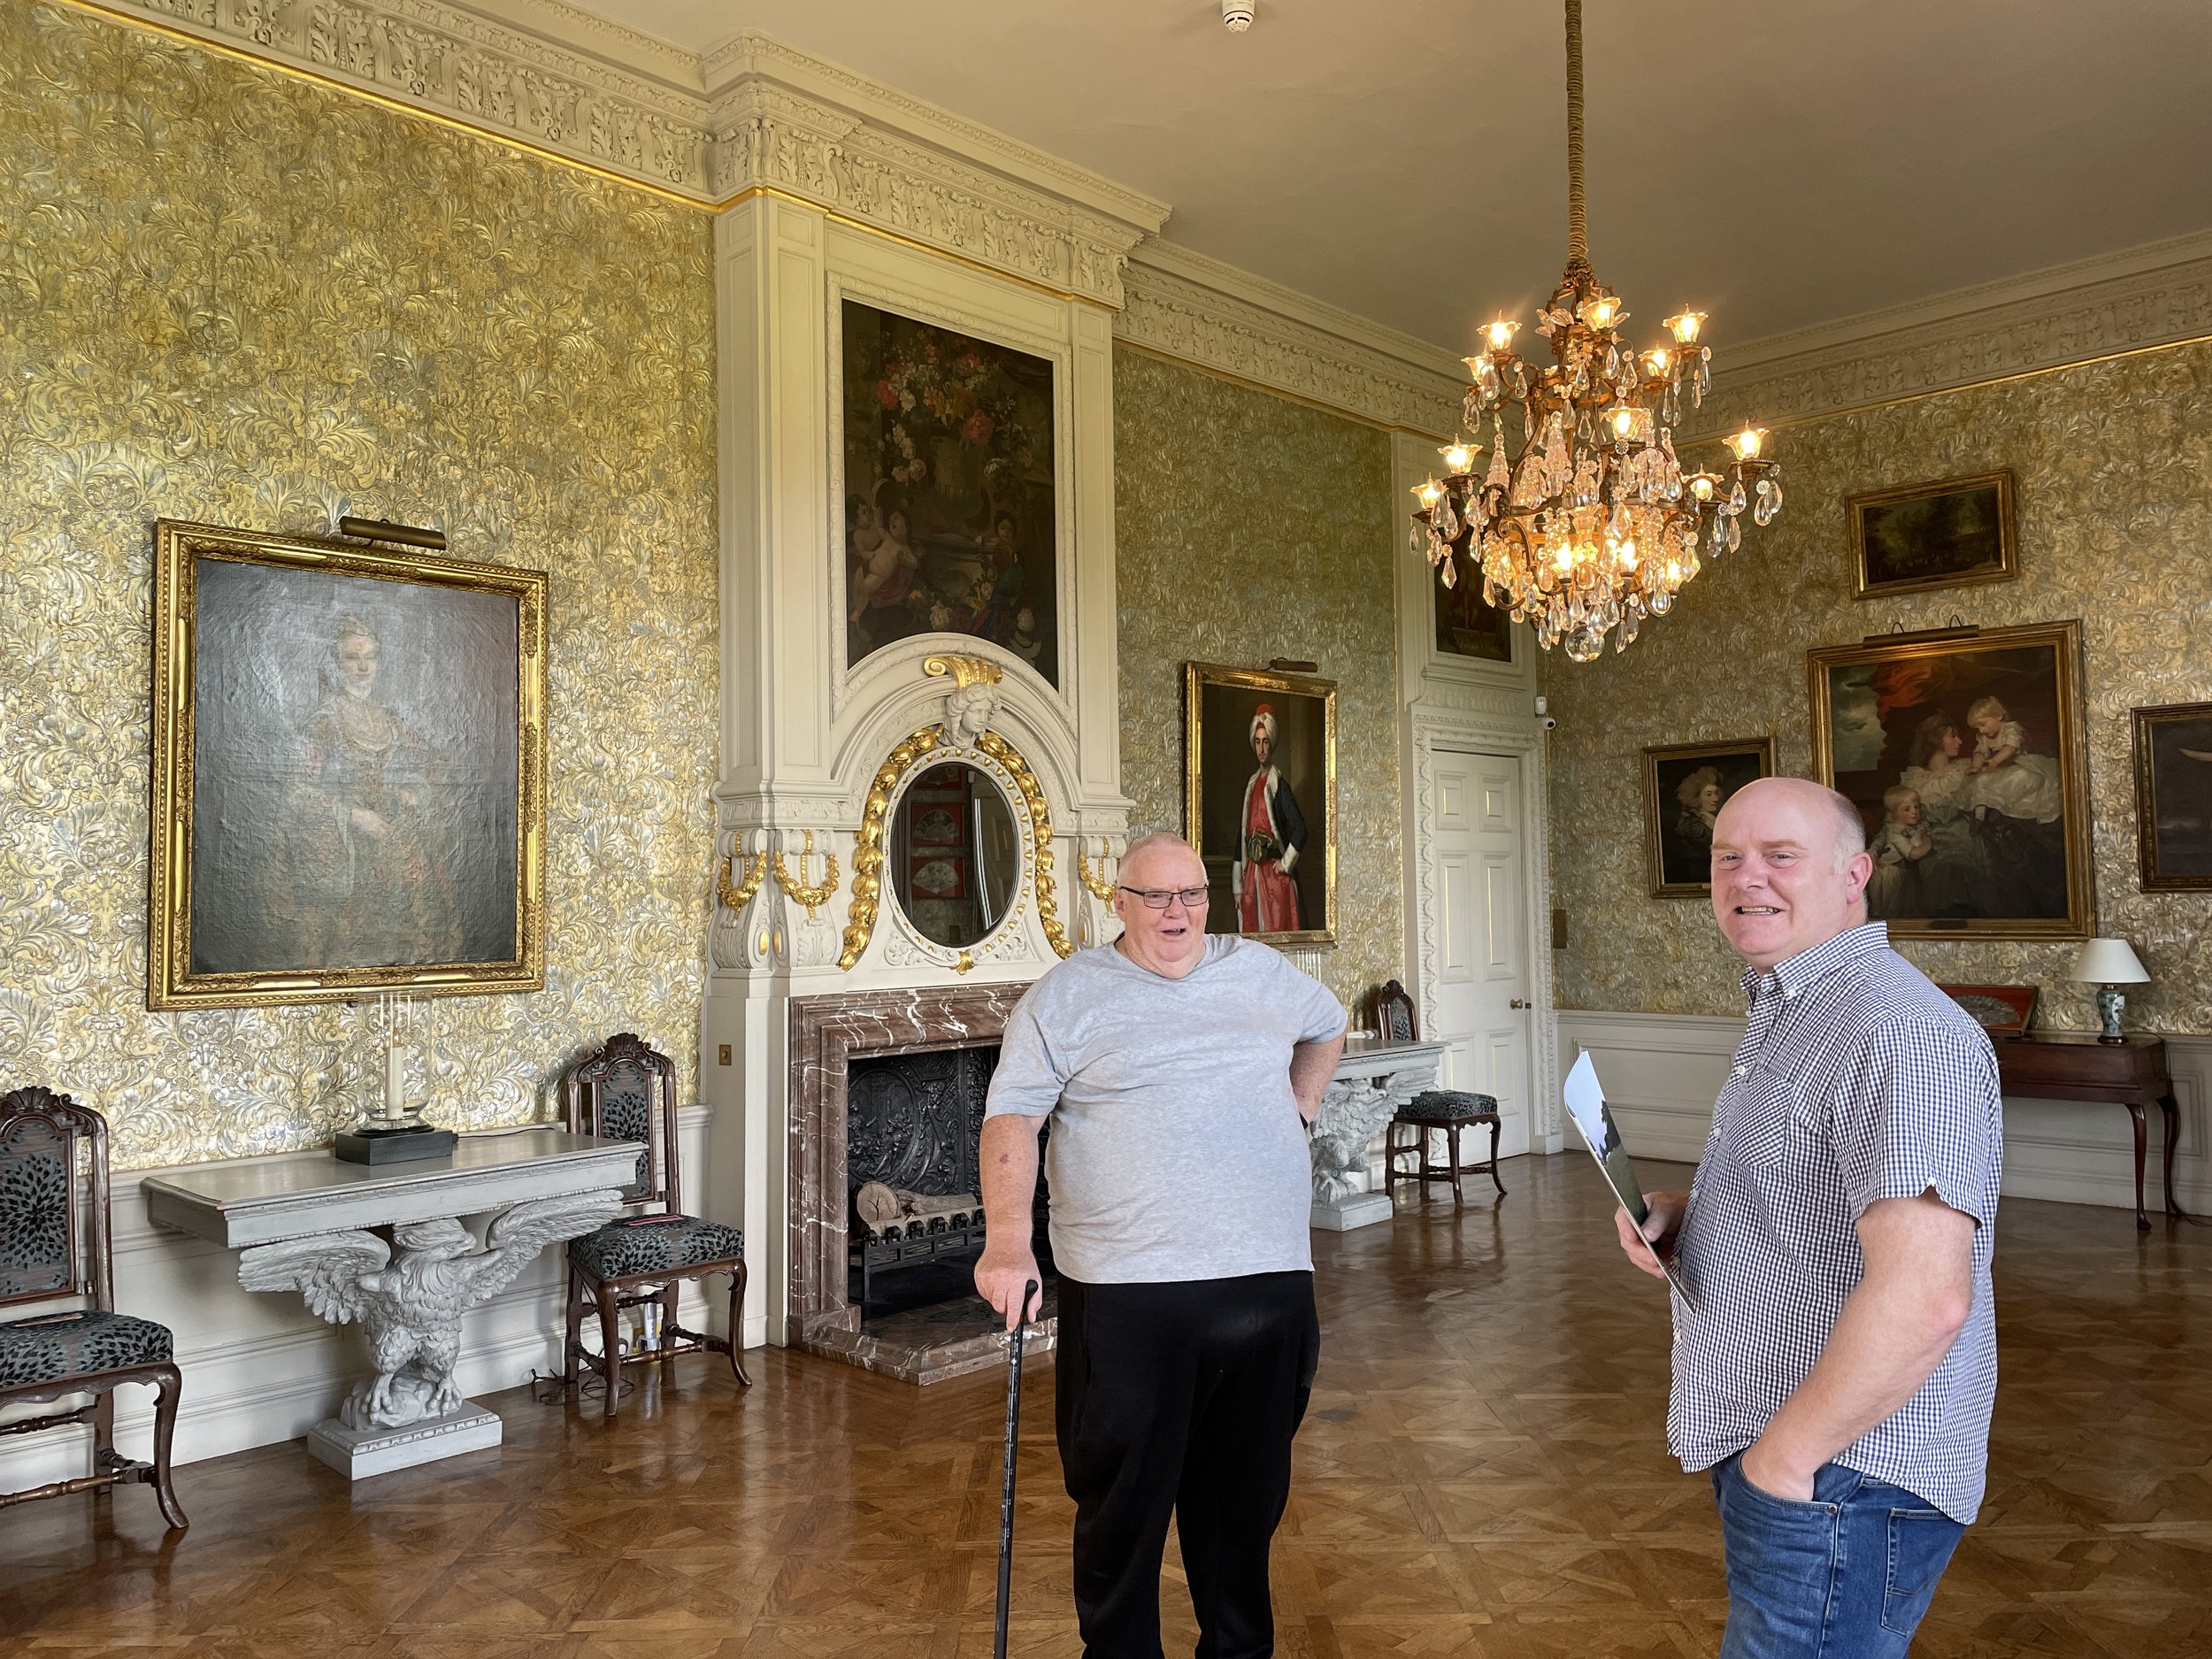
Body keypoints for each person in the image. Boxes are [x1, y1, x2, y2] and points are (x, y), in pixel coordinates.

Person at [1616, 777, 2002, 1659]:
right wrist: (1683, 1218)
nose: (1747, 877)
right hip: (1800, 1457)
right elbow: (1815, 1195)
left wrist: (1782, 1464)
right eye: (1727, 858)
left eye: (1780, 856)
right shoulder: (1795, 1005)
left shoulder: (1900, 1032)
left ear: (1854, 873)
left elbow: (1925, 1297)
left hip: (1843, 1478)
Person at [974, 832, 1347, 1659]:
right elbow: (1014, 1119)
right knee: (1123, 1510)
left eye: (1192, 896)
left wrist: (1297, 1114)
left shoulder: (1258, 971)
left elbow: (1329, 1025)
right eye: (1156, 897)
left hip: (1268, 1288)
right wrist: (1007, 1239)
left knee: (1243, 1508)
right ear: (1120, 901)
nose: (1177, 913)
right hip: (1130, 1296)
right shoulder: (1066, 996)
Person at [1233, 706, 1307, 933]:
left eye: (1265, 742)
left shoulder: (1279, 787)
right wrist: (1238, 885)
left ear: (1272, 744)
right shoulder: (1251, 785)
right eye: (1257, 742)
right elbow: (1242, 837)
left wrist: (1284, 864)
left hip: (1275, 881)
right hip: (1252, 879)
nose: (1262, 748)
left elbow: (1300, 830)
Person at [1864, 783, 1932, 919]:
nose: (1914, 812)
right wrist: (1928, 843)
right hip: (1893, 876)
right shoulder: (1895, 832)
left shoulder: (1917, 829)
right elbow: (1914, 853)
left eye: (1916, 807)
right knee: (1893, 912)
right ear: (1894, 814)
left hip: (1907, 874)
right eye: (1907, 809)